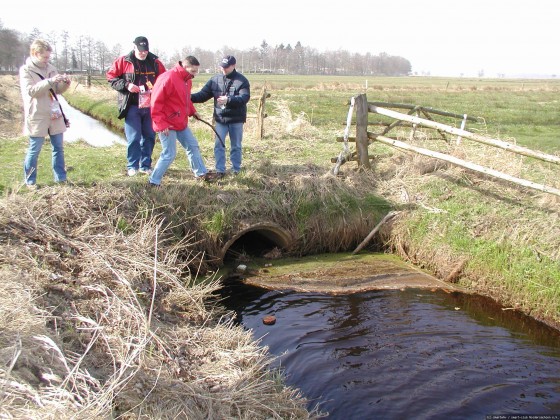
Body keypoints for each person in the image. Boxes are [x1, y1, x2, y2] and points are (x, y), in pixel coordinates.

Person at [148, 56, 213, 186]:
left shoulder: (187, 80)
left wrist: (193, 111)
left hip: (180, 122)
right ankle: (153, 182)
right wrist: (161, 123)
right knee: (169, 153)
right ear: (185, 67)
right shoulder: (167, 78)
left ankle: (200, 173)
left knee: (192, 145)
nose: (195, 74)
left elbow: (185, 100)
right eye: (193, 71)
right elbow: (155, 103)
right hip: (166, 124)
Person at [106, 36, 166, 176]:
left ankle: (145, 165)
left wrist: (157, 90)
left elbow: (164, 80)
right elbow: (111, 78)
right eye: (140, 50)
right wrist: (127, 85)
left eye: (145, 50)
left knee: (150, 136)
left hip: (150, 106)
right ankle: (132, 166)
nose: (143, 53)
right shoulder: (123, 61)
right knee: (134, 138)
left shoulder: (155, 62)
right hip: (132, 105)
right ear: (134, 47)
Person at [19, 39, 71, 188]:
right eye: (45, 57)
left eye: (49, 57)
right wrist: (49, 81)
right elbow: (31, 91)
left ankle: (60, 178)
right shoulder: (26, 70)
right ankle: (30, 181)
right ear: (35, 54)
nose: (47, 60)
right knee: (35, 148)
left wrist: (65, 84)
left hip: (54, 113)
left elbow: (56, 91)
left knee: (58, 147)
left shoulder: (51, 68)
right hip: (37, 113)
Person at [191, 55, 250, 177]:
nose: (223, 69)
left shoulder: (242, 81)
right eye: (222, 67)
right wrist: (187, 97)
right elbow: (202, 95)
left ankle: (236, 169)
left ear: (233, 66)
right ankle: (220, 170)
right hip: (220, 120)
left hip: (236, 119)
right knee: (218, 145)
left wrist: (229, 100)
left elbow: (244, 98)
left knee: (236, 146)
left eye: (226, 67)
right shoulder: (214, 80)